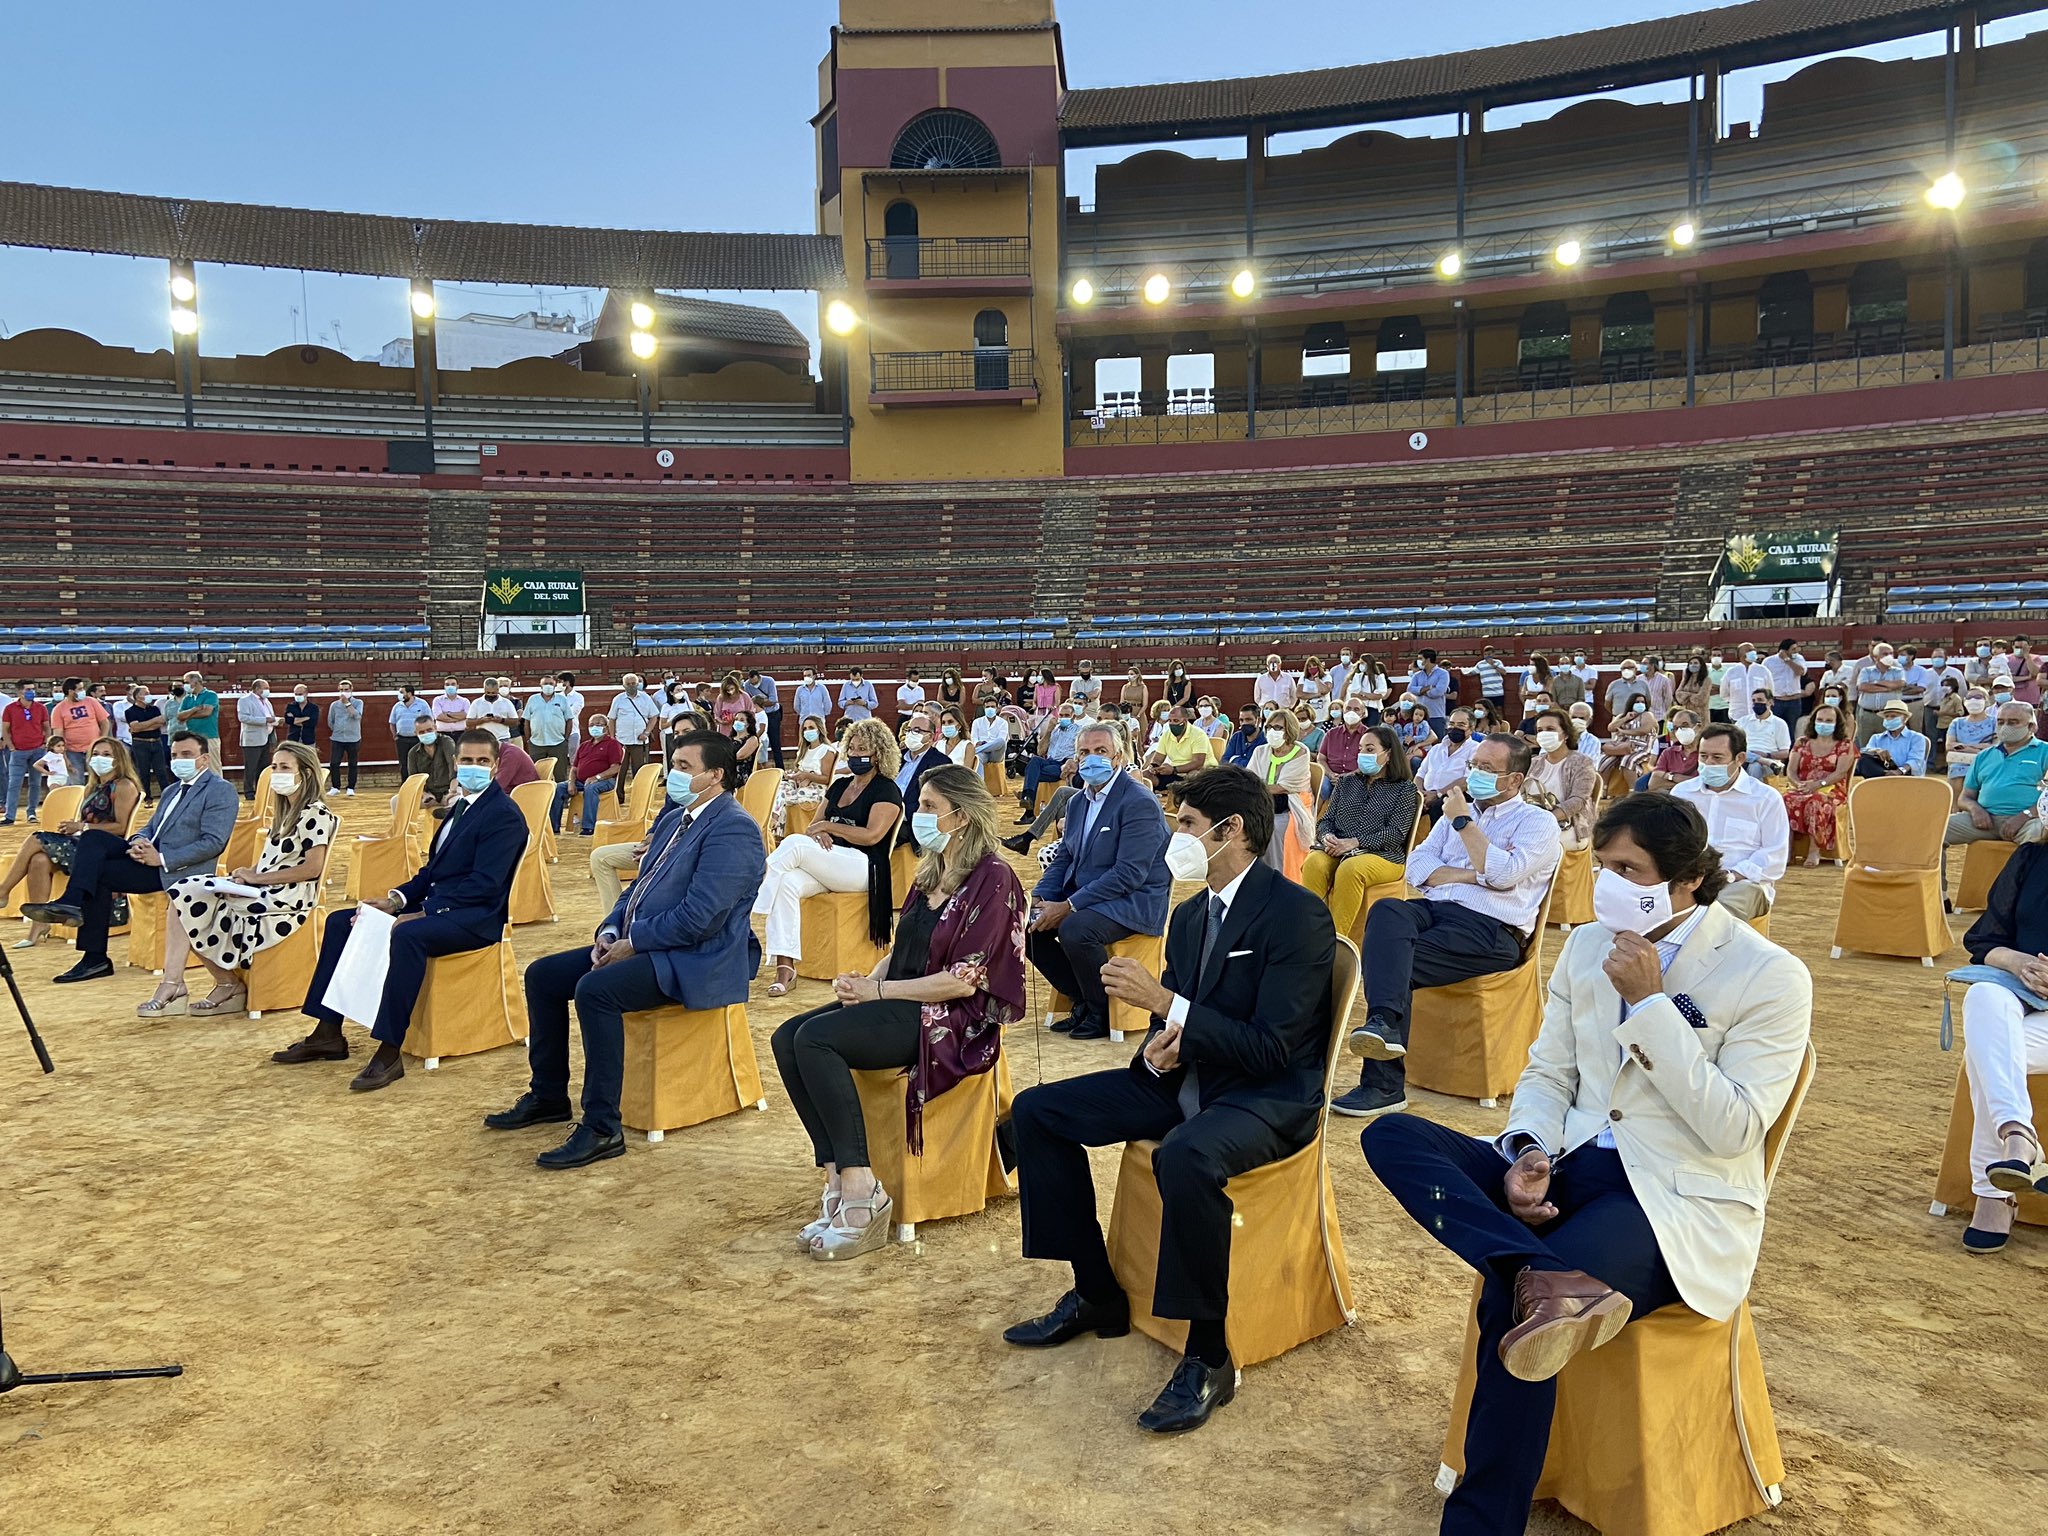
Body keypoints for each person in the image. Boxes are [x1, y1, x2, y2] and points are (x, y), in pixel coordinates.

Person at [1361, 792, 1812, 1534]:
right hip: (1570, 1169)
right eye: (1602, 866)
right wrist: (1528, 1150)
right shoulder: (1584, 947)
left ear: (1689, 878)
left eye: (1628, 869)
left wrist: (1651, 1006)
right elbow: (1549, 1073)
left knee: (1509, 1303)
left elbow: (1734, 1129)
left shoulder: (1767, 973)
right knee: (1395, 1139)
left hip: (1667, 1200)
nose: (1608, 884)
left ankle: (1481, 1522)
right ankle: (1538, 1272)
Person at [1005, 765, 1336, 1434]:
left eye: (1185, 823)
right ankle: (1096, 1293)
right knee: (1039, 1112)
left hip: (1265, 1096)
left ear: (1231, 830)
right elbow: (1185, 1016)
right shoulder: (1189, 915)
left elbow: (1273, 1047)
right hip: (1190, 1075)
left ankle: (1209, 1354)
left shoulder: (1298, 914)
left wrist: (1162, 1002)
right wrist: (1161, 1043)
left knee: (1185, 1155)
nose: (1174, 836)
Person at [774, 765, 1026, 1260]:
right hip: (902, 997)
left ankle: (860, 1187)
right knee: (787, 1036)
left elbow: (963, 980)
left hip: (950, 1018)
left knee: (816, 1040)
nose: (918, 814)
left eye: (930, 806)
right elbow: (904, 944)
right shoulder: (931, 867)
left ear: (962, 815)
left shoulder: (993, 879)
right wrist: (867, 980)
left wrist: (880, 991)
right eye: (920, 804)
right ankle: (835, 1176)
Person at [488, 731, 766, 1170]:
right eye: (674, 764)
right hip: (650, 945)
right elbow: (637, 889)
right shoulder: (675, 821)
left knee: (596, 991)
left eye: (686, 767)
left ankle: (602, 1127)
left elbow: (701, 919)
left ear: (716, 775)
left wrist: (633, 943)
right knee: (543, 975)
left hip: (698, 959)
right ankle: (548, 1095)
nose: (675, 774)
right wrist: (611, 930)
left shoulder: (734, 829)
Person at [273, 730, 526, 1092]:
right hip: (442, 906)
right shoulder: (460, 808)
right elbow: (431, 873)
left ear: (496, 765)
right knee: (343, 922)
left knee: (408, 935)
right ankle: (327, 1031)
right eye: (467, 760)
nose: (474, 767)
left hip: (475, 918)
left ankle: (389, 1050)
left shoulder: (503, 815)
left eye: (482, 761)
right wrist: (395, 901)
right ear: (456, 763)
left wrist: (425, 913)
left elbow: (485, 885)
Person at [1334, 734, 1562, 1119]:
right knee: (1388, 910)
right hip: (1436, 910)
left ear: (1514, 780)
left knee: (1392, 962)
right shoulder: (1455, 813)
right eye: (1473, 765)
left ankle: (1382, 1083)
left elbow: (1504, 874)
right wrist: (1477, 874)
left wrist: (1463, 824)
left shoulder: (1537, 823)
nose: (1475, 774)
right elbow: (1417, 867)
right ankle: (1383, 1025)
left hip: (1491, 930)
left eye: (1487, 768)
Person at [141, 741, 337, 1018]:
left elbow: (311, 868)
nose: (277, 773)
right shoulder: (286, 813)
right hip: (266, 888)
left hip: (286, 897)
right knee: (184, 892)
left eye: (284, 767)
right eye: (274, 767)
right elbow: (275, 859)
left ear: (304, 774)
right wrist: (246, 875)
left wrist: (257, 878)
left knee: (189, 901)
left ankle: (199, 984)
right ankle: (189, 983)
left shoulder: (315, 813)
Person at [25, 732, 238, 985]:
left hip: (175, 869)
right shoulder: (172, 790)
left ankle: (93, 955)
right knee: (92, 838)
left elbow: (214, 843)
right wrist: (138, 841)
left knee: (98, 873)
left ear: (204, 759)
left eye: (186, 755)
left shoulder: (220, 790)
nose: (178, 760)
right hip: (146, 855)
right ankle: (74, 907)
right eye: (174, 755)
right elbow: (149, 827)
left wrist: (161, 858)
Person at [1028, 721, 1170, 1042]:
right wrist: (1040, 897)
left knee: (1075, 929)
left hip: (1134, 900)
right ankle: (1080, 997)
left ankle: (1100, 1011)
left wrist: (1069, 906)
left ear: (1118, 757)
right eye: (1085, 752)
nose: (1092, 758)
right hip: (1092, 897)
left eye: (1101, 751)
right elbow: (1065, 856)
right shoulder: (1078, 802)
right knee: (1028, 926)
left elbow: (1129, 874)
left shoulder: (1138, 802)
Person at [754, 717, 902, 997]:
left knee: (794, 844)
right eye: (852, 748)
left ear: (879, 754)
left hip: (864, 866)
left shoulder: (886, 789)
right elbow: (813, 827)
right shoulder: (839, 785)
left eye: (863, 749)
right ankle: (786, 969)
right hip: (830, 861)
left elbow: (872, 836)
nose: (855, 754)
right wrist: (820, 830)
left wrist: (828, 827)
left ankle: (752, 903)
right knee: (786, 882)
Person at [1955, 812, 2048, 1251]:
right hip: (2023, 1001)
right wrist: (2018, 963)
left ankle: (1992, 1195)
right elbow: (1983, 942)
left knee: (1986, 1054)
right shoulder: (2031, 858)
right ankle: (2017, 1135)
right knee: (1984, 997)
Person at [1, 736, 142, 950]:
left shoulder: (123, 786)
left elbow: (122, 827)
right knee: (39, 860)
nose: (100, 758)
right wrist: (75, 827)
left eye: (106, 754)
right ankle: (39, 925)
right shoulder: (93, 787)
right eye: (96, 754)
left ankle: (3, 891)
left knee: (36, 838)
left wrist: (81, 827)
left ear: (118, 759)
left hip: (104, 850)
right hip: (85, 843)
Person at [1301, 726, 1422, 937]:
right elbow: (1326, 820)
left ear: (1388, 754)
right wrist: (1327, 837)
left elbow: (1396, 834)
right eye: (1360, 749)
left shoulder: (1404, 789)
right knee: (1314, 863)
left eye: (1370, 749)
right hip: (1338, 847)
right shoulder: (1346, 782)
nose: (1362, 754)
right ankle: (1309, 933)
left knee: (1351, 869)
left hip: (1383, 855)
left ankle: (1335, 940)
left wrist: (1356, 842)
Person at [1673, 725, 1790, 921]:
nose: (1708, 763)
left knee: (1717, 914)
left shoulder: (1765, 798)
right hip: (1687, 881)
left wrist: (1731, 875)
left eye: (1717, 758)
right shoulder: (1682, 794)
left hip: (1741, 883)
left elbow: (1774, 856)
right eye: (1703, 756)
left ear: (1740, 759)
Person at [1943, 701, 2047, 880]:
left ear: (2031, 727)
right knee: (1935, 831)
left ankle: (2028, 895)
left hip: (2029, 821)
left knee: (2041, 836)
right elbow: (1965, 796)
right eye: (2000, 722)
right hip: (1985, 821)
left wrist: (2026, 815)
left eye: (2013, 722)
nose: (2005, 727)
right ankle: (1937, 892)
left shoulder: (2045, 752)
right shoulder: (1984, 756)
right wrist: (1975, 809)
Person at [1780, 699, 1857, 866]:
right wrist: (1799, 784)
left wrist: (1818, 785)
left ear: (1836, 724)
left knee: (1815, 801)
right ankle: (1788, 849)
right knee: (1784, 800)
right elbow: (1791, 770)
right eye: (1820, 720)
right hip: (1803, 786)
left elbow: (1840, 773)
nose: (1823, 724)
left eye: (1829, 721)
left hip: (1831, 788)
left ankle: (1814, 850)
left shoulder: (1844, 744)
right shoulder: (1802, 742)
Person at [1246, 705, 1312, 876]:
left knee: (1274, 826)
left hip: (1292, 805)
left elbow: (1283, 787)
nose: (1272, 731)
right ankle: (1253, 874)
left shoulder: (1301, 752)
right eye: (1269, 727)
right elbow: (1249, 780)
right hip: (1262, 802)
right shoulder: (1260, 751)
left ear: (1289, 730)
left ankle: (1277, 875)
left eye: (1278, 728)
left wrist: (1257, 788)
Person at [1526, 709, 1600, 849]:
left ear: (1565, 734)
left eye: (1550, 729)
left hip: (1570, 827)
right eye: (1540, 730)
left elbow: (1578, 801)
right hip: (1532, 825)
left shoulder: (1582, 763)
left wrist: (1545, 821)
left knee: (1532, 846)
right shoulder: (1533, 763)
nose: (1544, 734)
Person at [892, 712, 954, 852]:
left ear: (931, 737)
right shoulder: (896, 757)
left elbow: (933, 803)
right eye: (909, 730)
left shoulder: (940, 762)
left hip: (908, 821)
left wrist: (897, 812)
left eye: (917, 730)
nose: (911, 734)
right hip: (883, 812)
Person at [771, 714, 840, 839]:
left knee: (786, 798)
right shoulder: (803, 750)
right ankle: (776, 823)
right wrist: (792, 775)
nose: (808, 731)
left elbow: (826, 778)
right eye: (805, 728)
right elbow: (799, 770)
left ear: (819, 729)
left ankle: (775, 824)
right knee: (780, 787)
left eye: (811, 727)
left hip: (816, 788)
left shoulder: (826, 750)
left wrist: (807, 776)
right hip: (799, 784)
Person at [1416, 708, 1480, 824]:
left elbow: (1467, 780)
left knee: (1439, 806)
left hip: (1454, 796)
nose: (1454, 728)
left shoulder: (1476, 750)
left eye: (1461, 725)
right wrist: (1420, 795)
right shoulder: (1436, 749)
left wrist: (1437, 794)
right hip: (1425, 795)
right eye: (1451, 724)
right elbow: (1420, 775)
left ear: (1471, 729)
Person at [1020, 700, 1082, 817]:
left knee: (1032, 773)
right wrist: (1048, 731)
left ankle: (1027, 802)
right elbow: (1040, 751)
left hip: (1063, 764)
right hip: (1048, 761)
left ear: (1073, 716)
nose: (1063, 718)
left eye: (1067, 715)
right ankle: (1028, 798)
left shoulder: (1079, 731)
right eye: (1061, 715)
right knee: (1034, 761)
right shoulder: (1054, 730)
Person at [1142, 704, 1217, 797]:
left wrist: (1174, 770)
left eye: (1176, 720)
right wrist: (1154, 767)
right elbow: (1158, 759)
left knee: (1194, 775)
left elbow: (1198, 763)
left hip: (1198, 773)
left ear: (1185, 721)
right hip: (1175, 774)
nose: (1172, 723)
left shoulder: (1199, 734)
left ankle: (1183, 798)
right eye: (1170, 720)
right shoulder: (1166, 735)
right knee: (1145, 774)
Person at [2, 681, 50, 824]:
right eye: (28, 689)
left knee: (35, 783)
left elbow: (46, 727)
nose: (31, 692)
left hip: (37, 750)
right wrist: (11, 746)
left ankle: (31, 813)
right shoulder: (10, 709)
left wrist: (45, 744)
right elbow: (5, 729)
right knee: (14, 784)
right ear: (19, 692)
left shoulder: (40, 708)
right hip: (18, 751)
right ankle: (10, 815)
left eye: (33, 689)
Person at [606, 674, 660, 785]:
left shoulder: (646, 698)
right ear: (623, 685)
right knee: (620, 770)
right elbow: (612, 719)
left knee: (640, 770)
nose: (631, 686)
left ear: (637, 684)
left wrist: (646, 733)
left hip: (640, 740)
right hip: (621, 740)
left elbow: (654, 716)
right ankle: (618, 794)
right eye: (628, 684)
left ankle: (639, 792)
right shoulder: (618, 699)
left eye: (633, 683)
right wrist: (612, 737)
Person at [1856, 699, 1930, 778]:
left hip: (1906, 776)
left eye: (1893, 716)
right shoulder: (1876, 738)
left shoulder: (1917, 738)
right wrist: (1876, 751)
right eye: (1886, 716)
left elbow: (1915, 761)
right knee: (1864, 760)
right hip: (1881, 772)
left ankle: (1888, 777)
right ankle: (1886, 776)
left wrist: (1899, 772)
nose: (1889, 719)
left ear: (1904, 719)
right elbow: (1864, 753)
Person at [521, 677, 572, 785]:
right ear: (540, 686)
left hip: (558, 742)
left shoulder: (562, 699)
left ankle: (561, 795)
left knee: (560, 774)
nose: (548, 686)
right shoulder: (533, 699)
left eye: (550, 683)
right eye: (545, 683)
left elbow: (569, 719)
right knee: (537, 774)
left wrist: (566, 738)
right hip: (536, 742)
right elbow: (527, 720)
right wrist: (529, 739)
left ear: (555, 685)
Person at [1853, 640, 1906, 740]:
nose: (1889, 656)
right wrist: (1888, 688)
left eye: (1891, 653)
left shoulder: (1898, 671)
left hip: (1889, 716)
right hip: (1867, 715)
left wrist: (1875, 683)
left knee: (1888, 743)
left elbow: (1899, 684)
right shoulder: (1866, 671)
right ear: (1876, 657)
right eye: (1885, 654)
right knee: (1865, 744)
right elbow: (1863, 687)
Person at [1638, 709, 1700, 794]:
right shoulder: (1668, 753)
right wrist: (1675, 778)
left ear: (1698, 727)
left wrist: (1668, 776)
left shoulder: (1705, 753)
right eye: (1676, 728)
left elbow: (1704, 783)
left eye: (1685, 726)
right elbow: (1653, 784)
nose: (1680, 731)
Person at [234, 680, 278, 799]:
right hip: (252, 740)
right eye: (265, 688)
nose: (268, 690)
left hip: (266, 737)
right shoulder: (245, 700)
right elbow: (243, 718)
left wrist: (275, 722)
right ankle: (249, 793)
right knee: (251, 768)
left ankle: (261, 791)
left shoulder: (267, 701)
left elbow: (270, 717)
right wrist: (265, 720)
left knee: (263, 767)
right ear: (257, 689)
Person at [124, 684, 168, 801]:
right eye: (146, 693)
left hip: (156, 741)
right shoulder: (130, 711)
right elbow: (135, 727)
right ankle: (147, 797)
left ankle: (166, 796)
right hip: (141, 744)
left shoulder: (154, 709)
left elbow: (160, 723)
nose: (149, 695)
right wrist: (153, 721)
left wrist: (142, 726)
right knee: (143, 772)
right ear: (137, 697)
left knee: (161, 771)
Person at [404, 715, 459, 808]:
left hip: (449, 790)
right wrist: (424, 794)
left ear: (435, 728)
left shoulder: (446, 742)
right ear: (416, 733)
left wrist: (452, 792)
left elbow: (454, 770)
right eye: (421, 732)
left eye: (429, 730)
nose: (426, 734)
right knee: (397, 802)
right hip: (428, 794)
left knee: (455, 802)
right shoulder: (413, 753)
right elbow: (414, 780)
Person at [1740, 687, 1791, 779]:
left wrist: (1767, 755)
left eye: (1760, 700)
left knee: (1755, 766)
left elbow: (1785, 753)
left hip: (1768, 759)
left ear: (1770, 702)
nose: (1756, 703)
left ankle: (1762, 761)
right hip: (1743, 757)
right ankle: (1760, 759)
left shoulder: (1779, 724)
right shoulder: (1743, 721)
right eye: (1754, 701)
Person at [1764, 638, 1810, 738]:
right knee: (1775, 730)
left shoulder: (1799, 659)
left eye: (1796, 649)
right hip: (1776, 701)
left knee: (1791, 730)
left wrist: (1787, 660)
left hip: (1794, 701)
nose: (1796, 651)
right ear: (1784, 650)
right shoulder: (1769, 661)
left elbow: (1800, 672)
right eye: (1793, 649)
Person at [742, 667, 783, 768]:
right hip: (758, 714)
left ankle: (780, 768)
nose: (753, 684)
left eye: (755, 682)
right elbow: (750, 702)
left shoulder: (769, 681)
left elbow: (773, 700)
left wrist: (758, 704)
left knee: (775, 743)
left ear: (759, 677)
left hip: (772, 714)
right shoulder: (747, 685)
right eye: (752, 683)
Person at [1409, 649, 1451, 729]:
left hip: (1436, 715)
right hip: (1419, 716)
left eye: (1420, 658)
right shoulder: (1417, 675)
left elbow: (1438, 692)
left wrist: (1420, 692)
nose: (1418, 661)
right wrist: (1428, 688)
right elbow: (1410, 689)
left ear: (1428, 660)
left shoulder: (1443, 673)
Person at [970, 700, 1009, 772]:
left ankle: (973, 751)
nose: (990, 709)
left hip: (996, 753)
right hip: (982, 753)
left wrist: (985, 745)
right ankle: (980, 780)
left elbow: (1001, 740)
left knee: (1001, 741)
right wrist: (977, 743)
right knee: (978, 758)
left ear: (997, 708)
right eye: (987, 707)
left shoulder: (1003, 723)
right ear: (984, 708)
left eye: (992, 707)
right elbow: (973, 738)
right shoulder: (977, 722)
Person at [1221, 705, 1262, 769]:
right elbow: (1224, 761)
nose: (1244, 723)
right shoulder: (1236, 737)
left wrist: (1234, 759)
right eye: (1241, 720)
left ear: (1258, 720)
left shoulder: (1265, 740)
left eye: (1248, 719)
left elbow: (1257, 767)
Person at [1673, 655, 1712, 720]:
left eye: (1695, 663)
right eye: (1690, 663)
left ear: (1701, 665)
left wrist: (1686, 695)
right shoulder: (1685, 679)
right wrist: (1692, 695)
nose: (1693, 665)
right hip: (1686, 712)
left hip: (1700, 714)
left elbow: (1701, 699)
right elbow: (1678, 694)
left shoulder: (1706, 680)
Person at [283, 685, 320, 749]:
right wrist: (306, 718)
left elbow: (312, 722)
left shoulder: (314, 708)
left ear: (306, 694)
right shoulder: (290, 706)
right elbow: (288, 720)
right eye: (296, 694)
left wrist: (295, 721)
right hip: (293, 740)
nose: (298, 696)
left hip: (308, 740)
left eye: (300, 694)